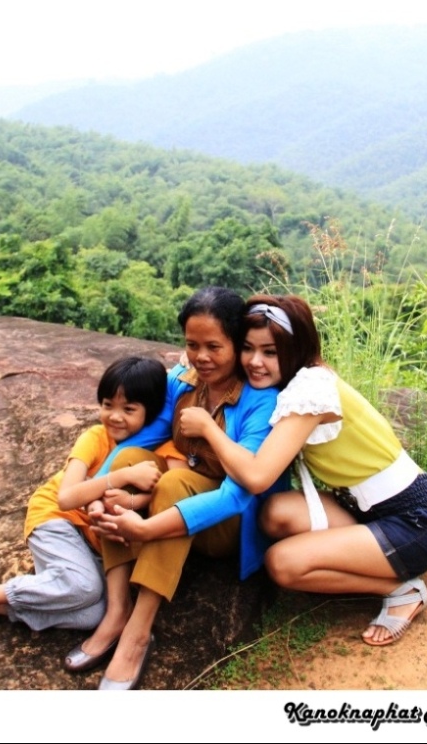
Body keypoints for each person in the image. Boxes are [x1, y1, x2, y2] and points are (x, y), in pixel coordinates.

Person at [178, 294, 427, 646]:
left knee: (282, 564)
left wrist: (208, 429)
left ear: (295, 348)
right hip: (359, 508)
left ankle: (401, 589)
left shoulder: (310, 390)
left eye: (270, 352)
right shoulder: (295, 379)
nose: (255, 362)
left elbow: (257, 477)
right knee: (274, 514)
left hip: (412, 524)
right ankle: (361, 556)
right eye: (247, 348)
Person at [70, 286, 284, 690]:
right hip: (176, 501)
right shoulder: (183, 382)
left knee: (174, 481)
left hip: (225, 522)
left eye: (214, 347)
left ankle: (138, 632)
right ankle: (117, 609)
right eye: (192, 345)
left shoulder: (260, 400)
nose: (201, 357)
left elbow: (239, 493)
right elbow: (139, 441)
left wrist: (146, 527)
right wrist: (101, 488)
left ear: (236, 342)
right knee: (131, 464)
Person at [0, 356, 168, 649]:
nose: (115, 416)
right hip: (56, 518)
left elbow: (161, 493)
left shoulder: (156, 450)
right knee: (84, 587)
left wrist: (135, 497)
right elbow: (66, 497)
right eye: (108, 405)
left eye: (128, 409)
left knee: (93, 614)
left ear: (151, 411)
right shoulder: (95, 437)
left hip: (92, 542)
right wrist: (122, 476)